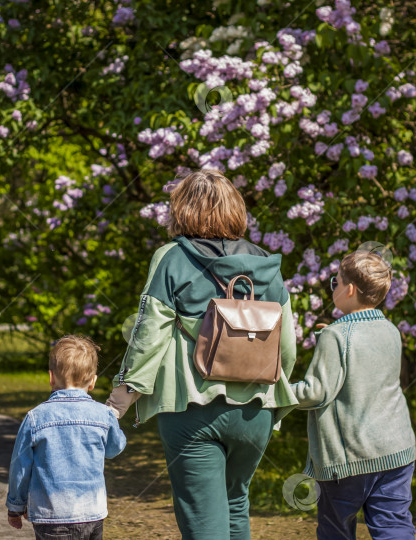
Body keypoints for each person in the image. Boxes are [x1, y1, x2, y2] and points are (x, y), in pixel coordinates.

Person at [105, 169, 299, 540]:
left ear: (182, 211)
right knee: (236, 508)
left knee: (203, 524)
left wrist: (119, 401)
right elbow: (285, 348)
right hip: (254, 413)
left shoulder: (172, 258)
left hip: (191, 409)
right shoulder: (265, 264)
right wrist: (275, 406)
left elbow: (149, 336)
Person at [290, 250, 416, 540]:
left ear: (349, 289)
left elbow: (315, 392)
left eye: (335, 282)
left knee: (336, 529)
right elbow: (362, 366)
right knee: (394, 525)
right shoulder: (390, 330)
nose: (332, 287)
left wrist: (277, 390)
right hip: (397, 451)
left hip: (349, 460)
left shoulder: (336, 336)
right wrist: (329, 338)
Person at [6, 335, 126, 540]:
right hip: (92, 513)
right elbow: (115, 449)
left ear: (51, 377)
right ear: (93, 381)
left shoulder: (36, 418)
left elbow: (20, 466)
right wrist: (111, 420)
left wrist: (16, 506)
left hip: (51, 514)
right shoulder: (103, 415)